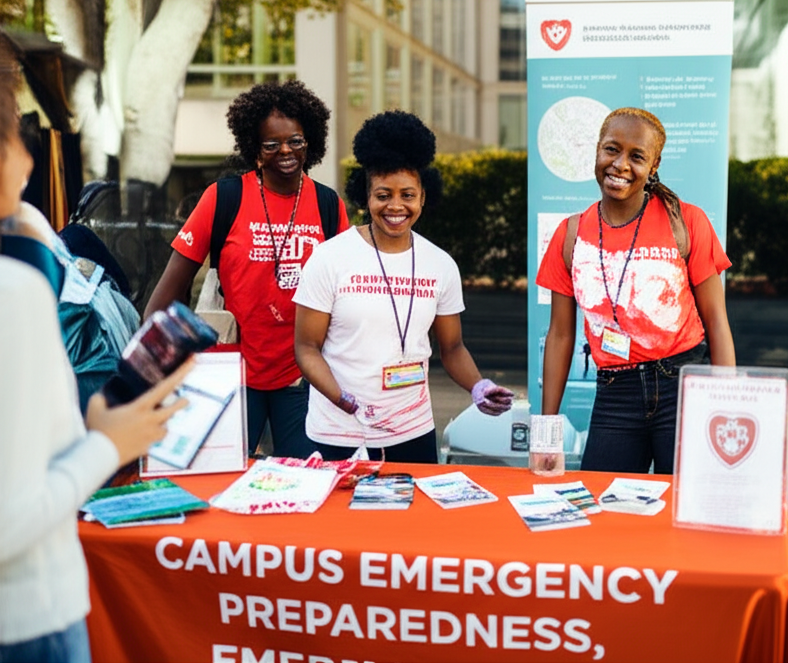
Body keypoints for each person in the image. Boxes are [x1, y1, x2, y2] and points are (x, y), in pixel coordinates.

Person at [0, 45, 192, 663]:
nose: (30, 155)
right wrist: (111, 441)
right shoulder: (16, 288)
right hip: (28, 619)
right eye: (19, 133)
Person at [293, 110, 513, 463]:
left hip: (412, 431)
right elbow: (306, 348)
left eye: (407, 195)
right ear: (365, 196)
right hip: (339, 430)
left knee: (414, 519)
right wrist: (341, 398)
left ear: (423, 196)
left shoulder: (440, 265)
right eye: (383, 195)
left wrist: (478, 386)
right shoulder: (329, 258)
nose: (396, 206)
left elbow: (452, 347)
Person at [146, 80, 349, 458]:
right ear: (255, 151)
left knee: (304, 486)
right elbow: (166, 294)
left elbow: (347, 299)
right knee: (222, 484)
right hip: (231, 375)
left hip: (302, 377)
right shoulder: (223, 198)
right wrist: (158, 370)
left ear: (311, 143)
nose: (285, 150)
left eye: (296, 140)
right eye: (271, 144)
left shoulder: (328, 205)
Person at [535, 107, 735, 475]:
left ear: (653, 165)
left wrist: (727, 410)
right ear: (597, 150)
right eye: (612, 149)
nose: (621, 164)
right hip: (616, 392)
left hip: (683, 386)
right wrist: (546, 432)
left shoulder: (686, 221)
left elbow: (717, 322)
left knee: (683, 509)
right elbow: (561, 334)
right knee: (605, 512)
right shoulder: (569, 235)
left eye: (636, 156)